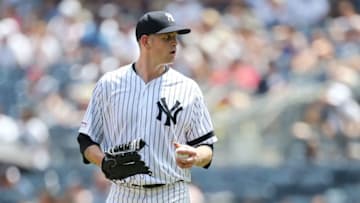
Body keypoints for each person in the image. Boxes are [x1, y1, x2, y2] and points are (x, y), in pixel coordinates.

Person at [77, 11, 218, 202]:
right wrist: (103, 162)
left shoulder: (188, 88)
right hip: (123, 193)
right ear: (146, 41)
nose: (175, 43)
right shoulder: (109, 84)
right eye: (166, 37)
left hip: (171, 193)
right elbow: (86, 141)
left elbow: (207, 147)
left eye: (175, 37)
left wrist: (196, 156)